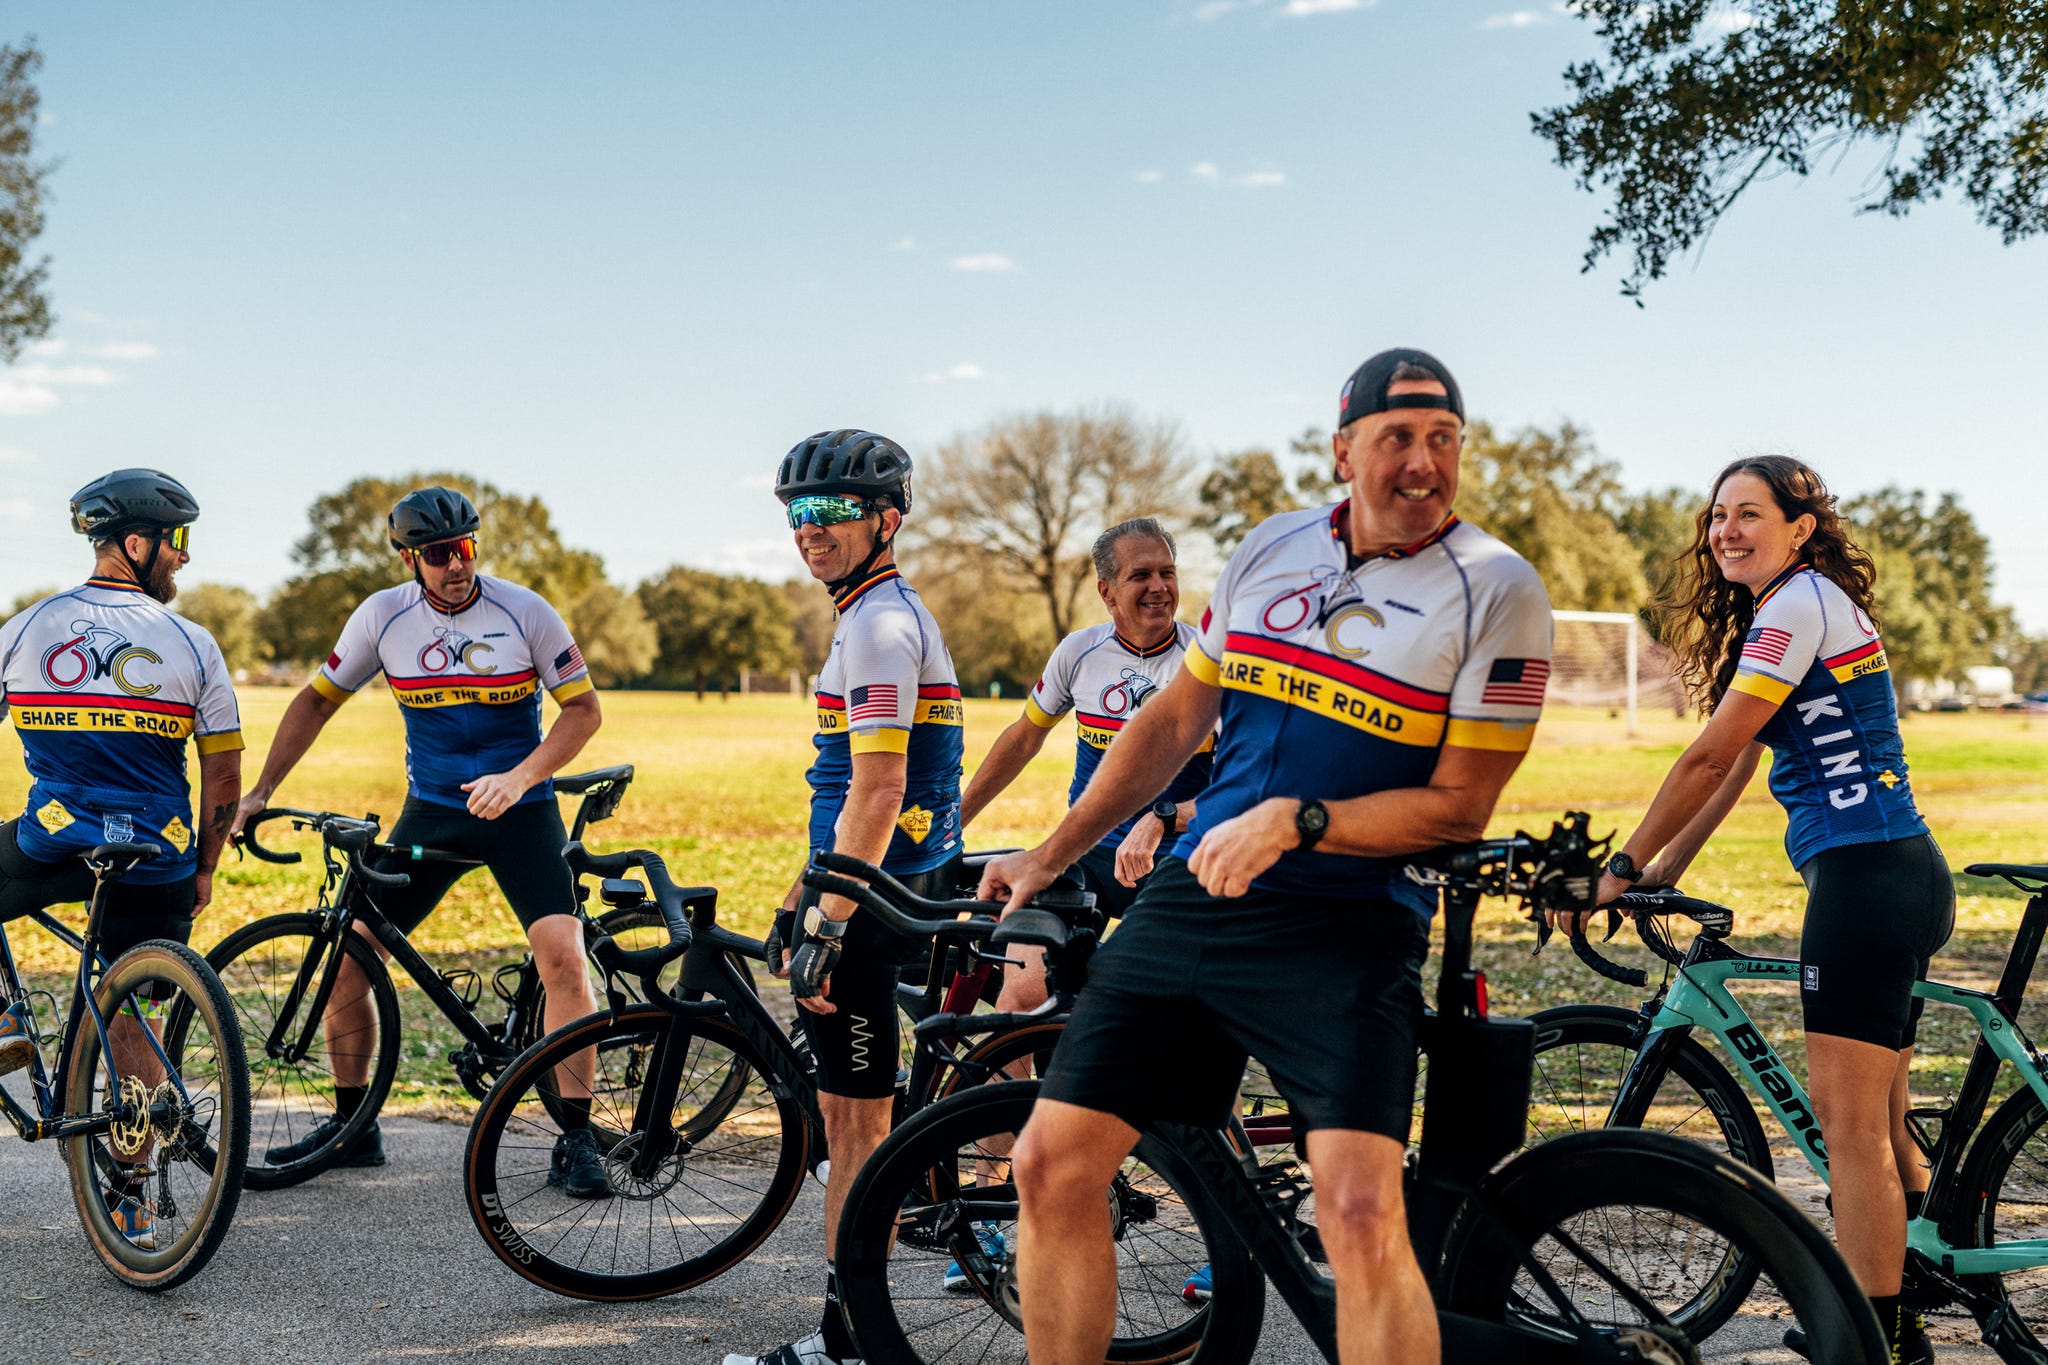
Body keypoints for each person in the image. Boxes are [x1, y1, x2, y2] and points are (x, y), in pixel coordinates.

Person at [981, 348, 1554, 1365]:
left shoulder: (1498, 588)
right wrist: (1049, 853)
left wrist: (1301, 822)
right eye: (1395, 439)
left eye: (1442, 440)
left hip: (1346, 920)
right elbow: (1167, 725)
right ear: (1343, 451)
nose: (1420, 463)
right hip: (1193, 899)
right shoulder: (1268, 547)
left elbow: (1460, 807)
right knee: (1050, 1165)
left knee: (1360, 1213)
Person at [1554, 455, 1950, 1365]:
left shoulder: (1797, 603)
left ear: (1800, 527)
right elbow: (1736, 768)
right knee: (1883, 1129)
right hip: (1891, 873)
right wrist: (1664, 866)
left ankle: (1870, 1344)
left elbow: (1707, 753)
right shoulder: (1797, 605)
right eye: (1717, 514)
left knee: (1850, 1137)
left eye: (1749, 513)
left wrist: (1615, 872)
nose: (1726, 529)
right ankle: (1914, 1302)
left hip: (1867, 883)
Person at [230, 485, 607, 1193]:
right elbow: (315, 699)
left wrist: (521, 777)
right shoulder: (384, 616)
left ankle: (578, 1137)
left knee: (562, 957)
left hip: (521, 809)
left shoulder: (525, 610)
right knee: (351, 952)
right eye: (438, 554)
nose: (455, 565)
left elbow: (583, 712)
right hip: (433, 812)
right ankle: (354, 1125)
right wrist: (261, 791)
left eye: (465, 549)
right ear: (410, 559)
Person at [728, 429, 964, 1365]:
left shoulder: (879, 623)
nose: (809, 530)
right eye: (797, 513)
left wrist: (828, 917)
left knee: (856, 1126)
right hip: (869, 880)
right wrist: (801, 889)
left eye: (830, 512)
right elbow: (842, 794)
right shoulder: (876, 611)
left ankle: (850, 1339)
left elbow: (877, 788)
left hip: (876, 895)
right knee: (853, 1119)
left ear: (887, 519)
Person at [0, 469, 244, 1246]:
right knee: (131, 1005)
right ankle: (131, 1195)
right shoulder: (193, 642)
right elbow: (226, 774)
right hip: (158, 853)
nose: (183, 559)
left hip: (56, 839)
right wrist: (206, 864)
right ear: (137, 544)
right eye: (178, 543)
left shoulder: (26, 626)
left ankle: (3, 1017)